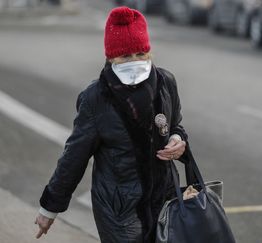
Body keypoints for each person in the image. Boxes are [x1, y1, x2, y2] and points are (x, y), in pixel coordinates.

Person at [34, 6, 190, 242]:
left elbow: (175, 125)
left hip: (165, 199)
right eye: (126, 56)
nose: (135, 61)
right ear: (112, 57)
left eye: (140, 54)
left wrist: (178, 141)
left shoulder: (165, 83)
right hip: (119, 210)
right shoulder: (96, 98)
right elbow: (74, 157)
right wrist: (49, 208)